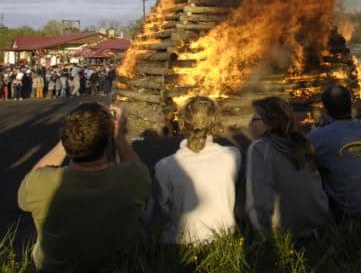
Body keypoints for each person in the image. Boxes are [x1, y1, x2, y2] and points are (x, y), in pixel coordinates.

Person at [17, 102, 150, 271]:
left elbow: (24, 195)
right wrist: (119, 137)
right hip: (119, 267)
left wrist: (67, 139)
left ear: (66, 136)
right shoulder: (134, 177)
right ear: (107, 139)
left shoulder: (39, 182)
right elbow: (139, 174)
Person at [151, 97, 240, 244]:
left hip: (179, 245)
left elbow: (162, 210)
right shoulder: (232, 156)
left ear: (182, 123)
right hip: (224, 240)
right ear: (216, 123)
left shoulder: (164, 166)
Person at [246, 97, 332, 236]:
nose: (249, 123)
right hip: (320, 227)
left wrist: (265, 238)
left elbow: (259, 202)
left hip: (286, 235)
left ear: (270, 122)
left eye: (255, 119)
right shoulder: (303, 143)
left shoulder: (259, 148)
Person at [308, 84, 361, 217]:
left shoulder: (319, 135)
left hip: (345, 214)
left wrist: (315, 129)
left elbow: (306, 161)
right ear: (351, 106)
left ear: (326, 111)